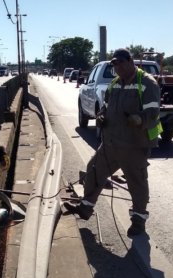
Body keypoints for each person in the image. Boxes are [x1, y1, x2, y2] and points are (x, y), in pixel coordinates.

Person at [63, 48, 162, 235]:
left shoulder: (147, 83)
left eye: (121, 64)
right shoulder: (115, 84)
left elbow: (153, 112)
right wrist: (100, 117)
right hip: (110, 143)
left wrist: (139, 119)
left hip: (134, 145)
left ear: (131, 61)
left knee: (137, 184)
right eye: (115, 65)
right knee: (93, 171)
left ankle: (139, 221)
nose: (118, 69)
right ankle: (85, 207)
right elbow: (105, 108)